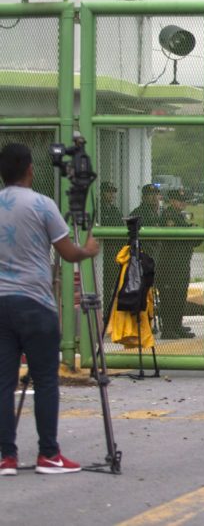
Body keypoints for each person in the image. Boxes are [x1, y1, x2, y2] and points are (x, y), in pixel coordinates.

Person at [0, 142, 100, 475]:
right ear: (30, 168)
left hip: (1, 303)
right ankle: (48, 454)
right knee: (45, 381)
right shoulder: (43, 205)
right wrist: (87, 249)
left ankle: (7, 457)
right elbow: (68, 254)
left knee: (3, 383)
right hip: (35, 303)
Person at [154, 188, 201, 339]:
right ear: (172, 201)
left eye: (184, 201)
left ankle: (177, 325)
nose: (183, 203)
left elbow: (190, 239)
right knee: (169, 297)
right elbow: (177, 236)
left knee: (180, 295)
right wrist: (190, 231)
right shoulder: (169, 216)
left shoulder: (179, 216)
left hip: (180, 264)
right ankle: (168, 329)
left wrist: (192, 231)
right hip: (169, 265)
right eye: (180, 201)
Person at [99, 182, 123, 318]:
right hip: (103, 254)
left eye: (113, 192)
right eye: (109, 192)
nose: (112, 195)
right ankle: (103, 315)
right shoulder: (98, 208)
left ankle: (110, 316)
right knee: (104, 286)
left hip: (114, 254)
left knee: (112, 287)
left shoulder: (114, 210)